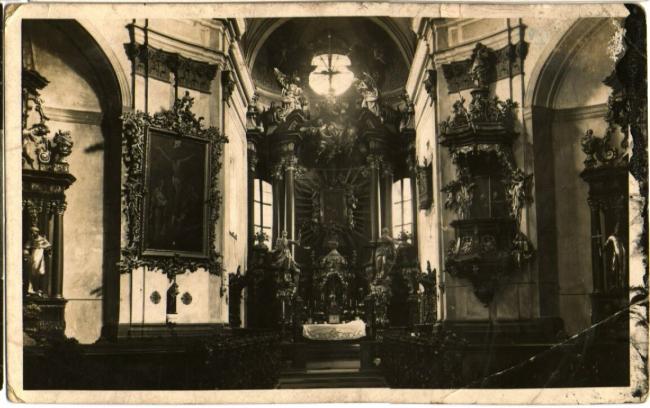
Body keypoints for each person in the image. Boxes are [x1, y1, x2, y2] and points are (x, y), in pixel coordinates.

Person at [24, 226, 52, 296]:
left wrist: (45, 248)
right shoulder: (31, 240)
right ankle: (31, 290)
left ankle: (39, 290)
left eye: (33, 232)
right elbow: (26, 248)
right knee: (33, 272)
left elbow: (48, 246)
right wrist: (26, 255)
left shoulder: (42, 239)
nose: (32, 234)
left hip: (40, 257)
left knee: (41, 272)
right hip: (34, 256)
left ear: (37, 232)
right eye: (31, 233)